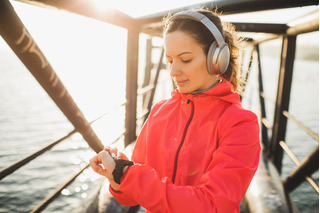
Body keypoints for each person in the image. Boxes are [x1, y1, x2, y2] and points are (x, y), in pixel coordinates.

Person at [90, 8, 261, 213]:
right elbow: (131, 195)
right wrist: (116, 174)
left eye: (185, 59)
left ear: (217, 58)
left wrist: (126, 173)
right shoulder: (159, 111)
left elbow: (212, 205)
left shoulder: (240, 123)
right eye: (170, 60)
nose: (173, 72)